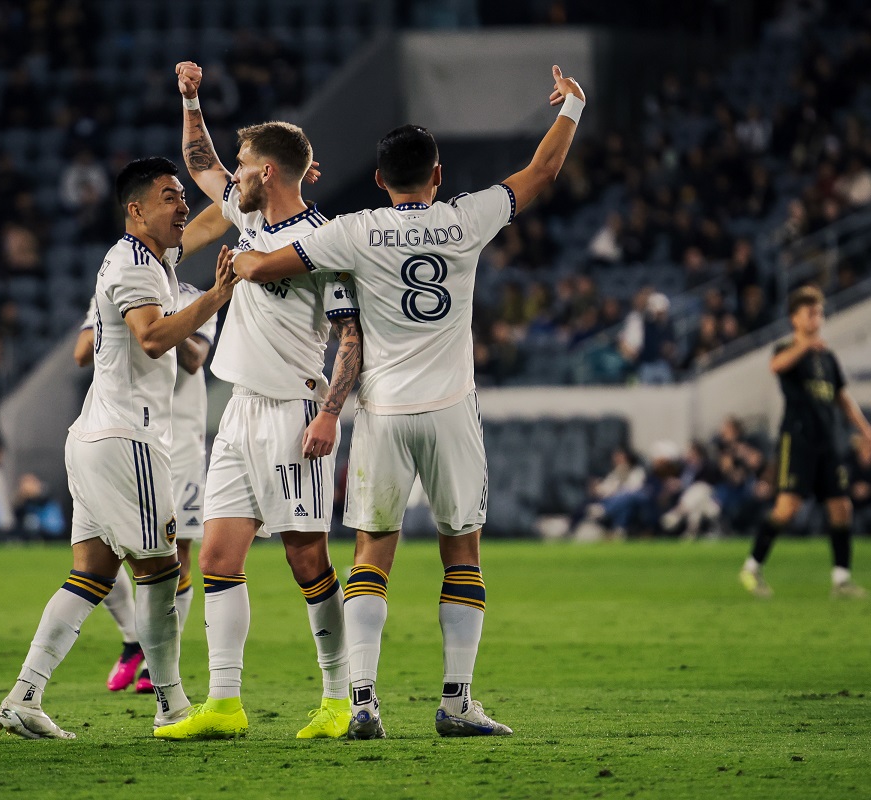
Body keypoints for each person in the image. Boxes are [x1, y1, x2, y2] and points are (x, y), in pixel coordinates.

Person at [234, 65, 586, 739]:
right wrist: (572, 105)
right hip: (452, 408)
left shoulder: (356, 230)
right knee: (463, 554)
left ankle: (363, 700)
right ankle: (456, 702)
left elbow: (265, 265)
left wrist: (245, 255)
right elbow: (541, 174)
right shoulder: (464, 217)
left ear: (377, 179)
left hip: (383, 412)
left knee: (372, 555)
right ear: (437, 174)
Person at [0, 157, 239, 740]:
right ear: (136, 210)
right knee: (160, 570)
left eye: (182, 195)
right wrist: (215, 298)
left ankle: (23, 697)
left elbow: (208, 226)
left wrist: (249, 191)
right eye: (169, 197)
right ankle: (174, 708)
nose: (182, 206)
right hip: (128, 439)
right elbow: (153, 338)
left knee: (91, 575)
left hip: (96, 438)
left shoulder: (151, 257)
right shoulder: (134, 266)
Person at [153, 62, 363, 743]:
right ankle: (225, 703)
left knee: (306, 557)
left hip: (293, 411)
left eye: (244, 166)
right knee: (217, 556)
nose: (231, 176)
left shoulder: (322, 243)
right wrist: (190, 98)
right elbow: (198, 158)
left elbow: (350, 335)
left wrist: (331, 412)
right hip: (238, 410)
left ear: (268, 171)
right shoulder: (246, 215)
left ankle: (341, 699)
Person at [74, 272, 220, 695]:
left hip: (182, 441)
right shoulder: (120, 282)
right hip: (123, 434)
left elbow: (194, 360)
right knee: (102, 547)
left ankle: (157, 662)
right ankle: (133, 639)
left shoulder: (194, 295)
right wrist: (122, 314)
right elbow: (82, 352)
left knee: (179, 553)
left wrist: (159, 322)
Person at [739, 285, 871, 598]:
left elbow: (842, 397)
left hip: (829, 441)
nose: (817, 318)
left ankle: (841, 580)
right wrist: (806, 345)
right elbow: (776, 367)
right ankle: (751, 567)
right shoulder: (787, 350)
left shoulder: (828, 358)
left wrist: (866, 430)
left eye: (819, 313)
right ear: (795, 319)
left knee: (841, 507)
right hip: (798, 439)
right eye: (810, 313)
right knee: (786, 508)